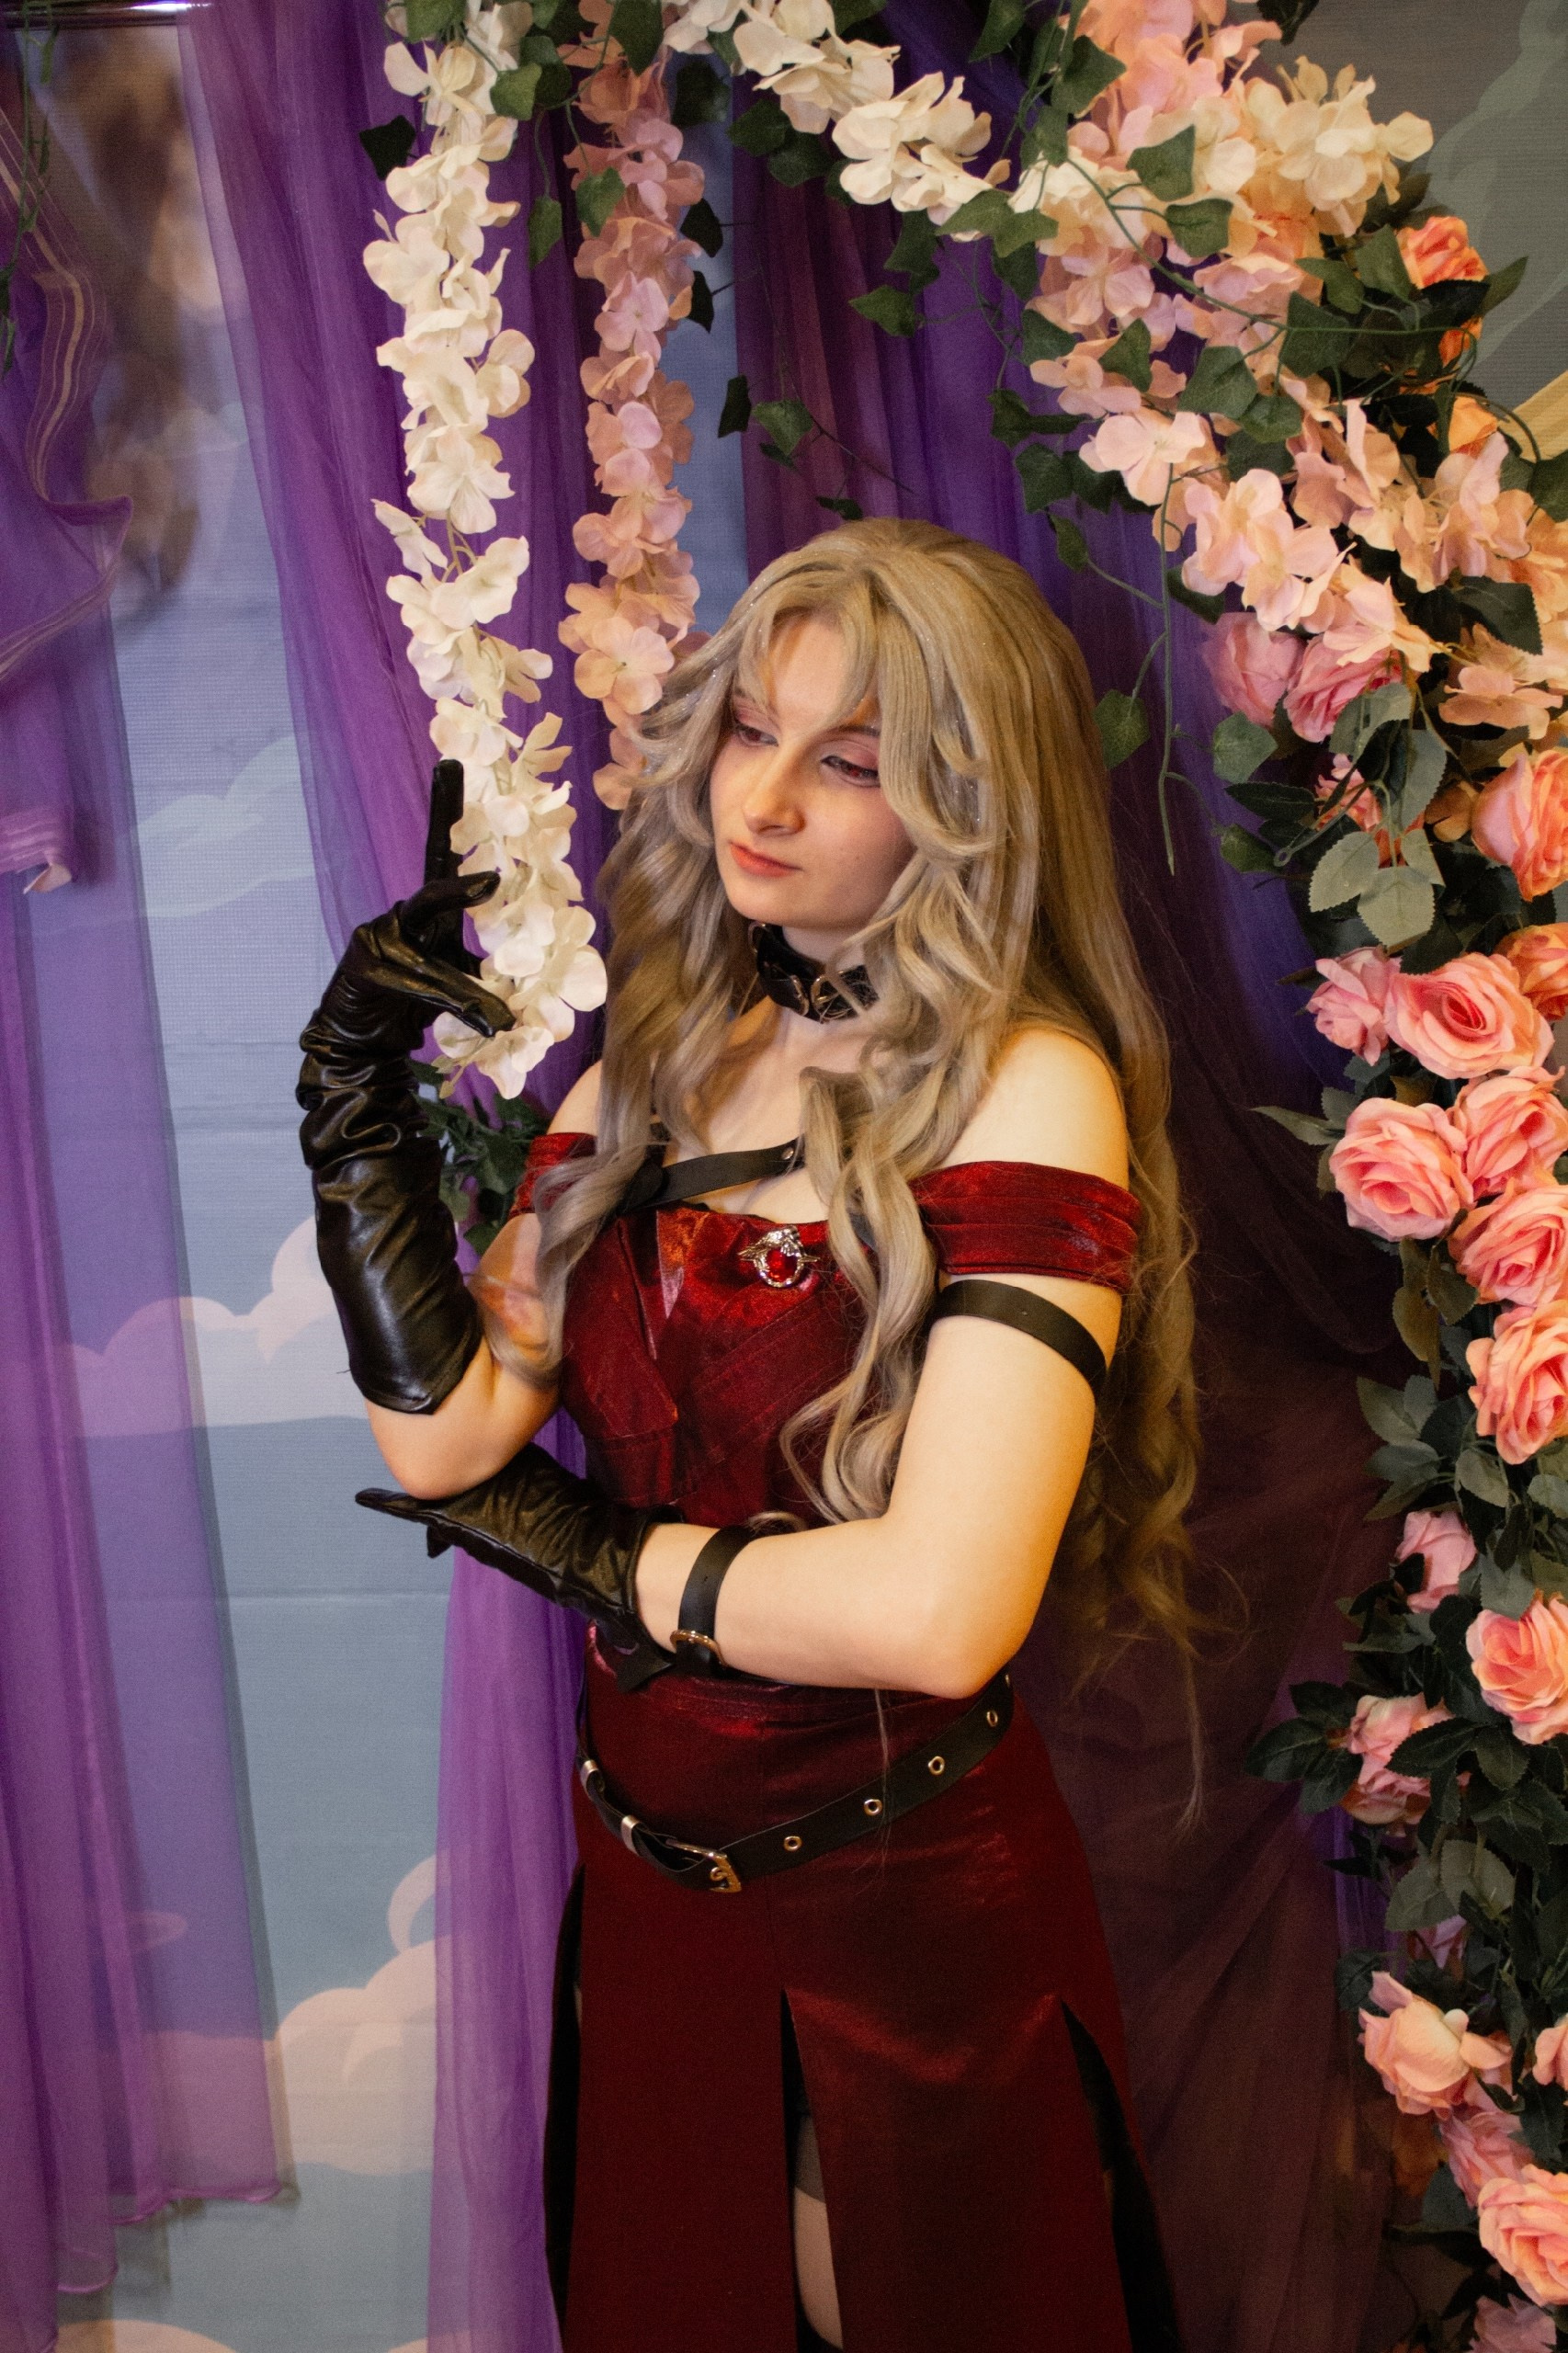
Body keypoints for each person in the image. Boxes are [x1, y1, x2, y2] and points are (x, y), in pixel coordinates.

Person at [298, 518, 1198, 2353]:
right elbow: (452, 1436)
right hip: (648, 1885)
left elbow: (941, 1612)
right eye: (748, 730)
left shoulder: (1027, 1081)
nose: (762, 799)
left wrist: (598, 1555)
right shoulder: (660, 1059)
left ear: (967, 804)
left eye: (848, 760)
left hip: (899, 1904)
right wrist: (350, 1123)